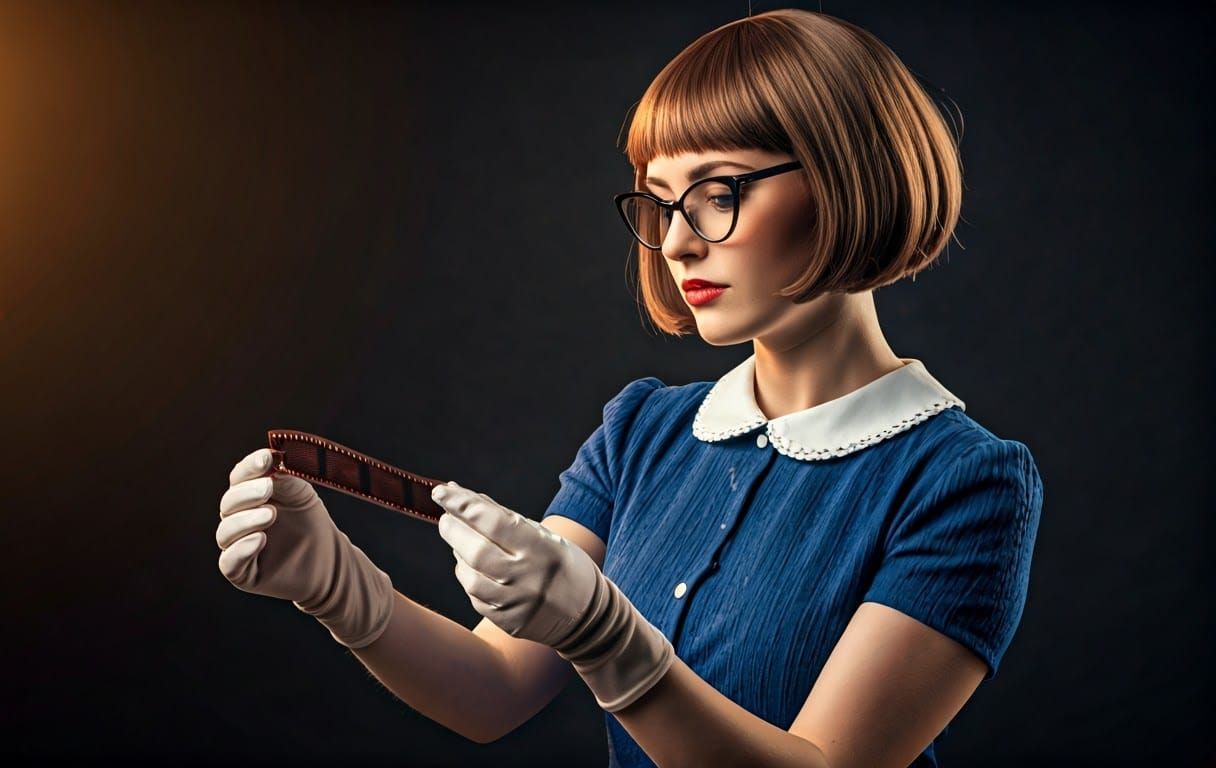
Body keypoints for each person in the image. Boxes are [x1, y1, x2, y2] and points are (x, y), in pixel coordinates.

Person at [214, 8, 1043, 767]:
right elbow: (494, 688)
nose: (676, 243)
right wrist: (340, 588)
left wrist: (611, 643)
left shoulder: (965, 482)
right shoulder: (642, 429)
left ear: (850, 178)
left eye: (718, 193)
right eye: (660, 203)